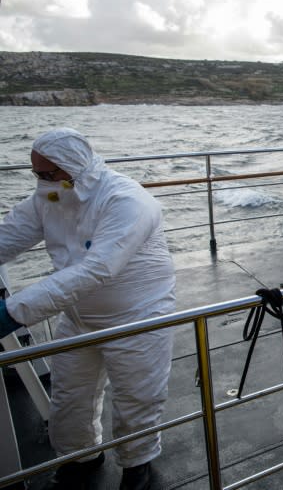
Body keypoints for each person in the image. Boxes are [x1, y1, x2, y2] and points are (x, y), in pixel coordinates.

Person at [0, 128, 176, 490]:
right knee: (69, 396)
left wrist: (13, 313)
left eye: (48, 174)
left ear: (73, 168)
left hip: (137, 317)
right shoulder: (49, 196)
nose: (41, 181)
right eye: (36, 174)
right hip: (79, 317)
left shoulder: (126, 200)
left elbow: (97, 269)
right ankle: (80, 456)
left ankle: (137, 465)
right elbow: (10, 235)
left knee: (137, 398)